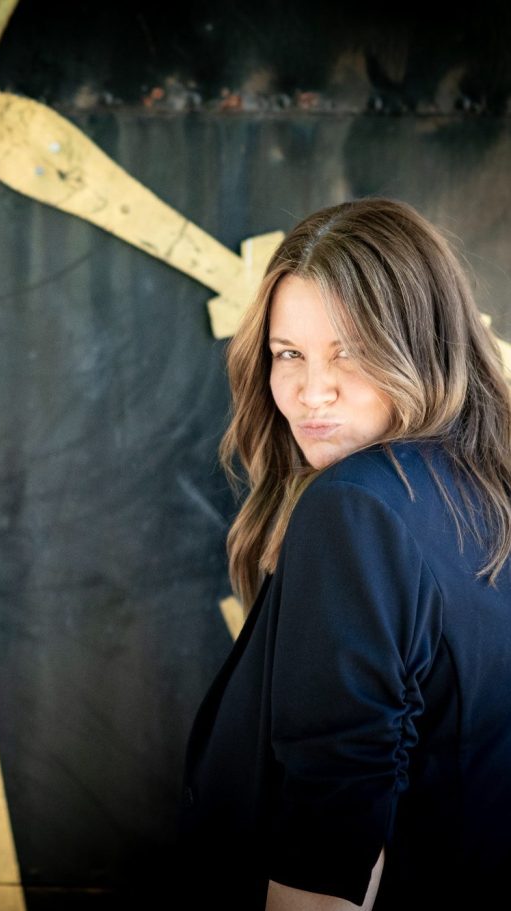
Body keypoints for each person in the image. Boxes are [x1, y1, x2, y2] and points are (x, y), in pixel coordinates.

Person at [180, 197, 511, 909]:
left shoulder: (357, 505)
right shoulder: (482, 496)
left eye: (349, 352)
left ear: (418, 346)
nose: (310, 392)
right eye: (287, 354)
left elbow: (327, 847)